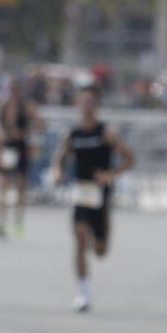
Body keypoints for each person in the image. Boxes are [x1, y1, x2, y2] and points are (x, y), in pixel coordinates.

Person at [52, 85, 134, 313]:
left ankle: (101, 235)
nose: (86, 107)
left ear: (96, 106)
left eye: (91, 102)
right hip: (80, 192)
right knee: (79, 240)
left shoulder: (105, 132)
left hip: (100, 195)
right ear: (78, 105)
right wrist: (58, 171)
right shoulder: (73, 134)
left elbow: (129, 158)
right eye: (83, 102)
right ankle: (83, 293)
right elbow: (59, 157)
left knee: (99, 250)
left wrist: (110, 174)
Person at [0, 74, 38, 238]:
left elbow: (39, 124)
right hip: (7, 147)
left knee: (20, 187)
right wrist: (2, 137)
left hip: (21, 147)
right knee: (3, 185)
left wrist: (26, 131)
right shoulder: (3, 104)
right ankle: (1, 222)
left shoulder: (27, 105)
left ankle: (18, 222)